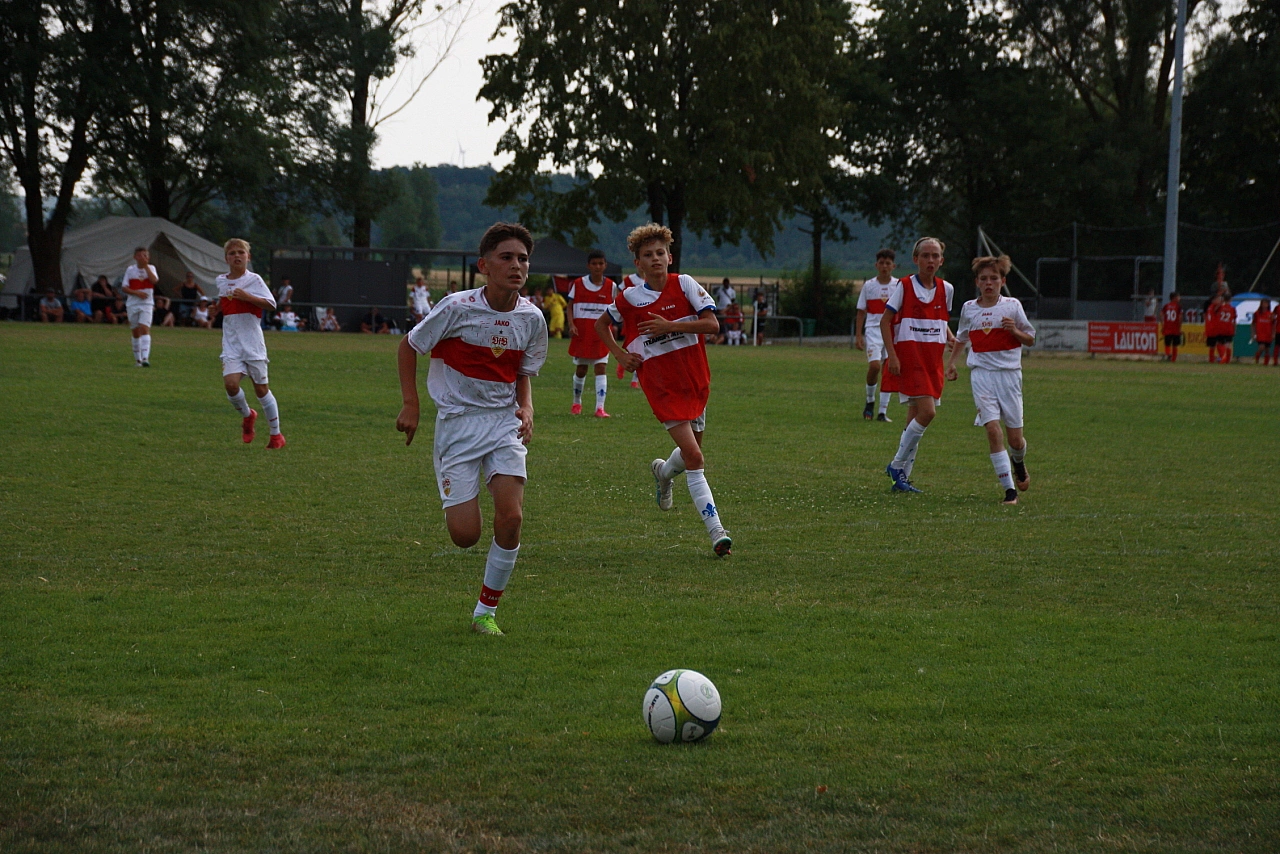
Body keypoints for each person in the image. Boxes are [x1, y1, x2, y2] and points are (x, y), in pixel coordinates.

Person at [395, 222, 548, 637]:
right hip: (458, 425)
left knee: (512, 518)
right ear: (484, 265)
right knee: (465, 536)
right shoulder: (456, 307)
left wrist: (526, 406)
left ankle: (485, 612)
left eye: (523, 259)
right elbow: (409, 345)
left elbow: (522, 371)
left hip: (502, 423)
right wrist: (411, 404)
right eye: (506, 257)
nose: (516, 265)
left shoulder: (532, 318)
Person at [595, 223, 732, 557]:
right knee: (695, 457)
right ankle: (717, 532)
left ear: (670, 257)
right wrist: (620, 355)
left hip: (695, 381)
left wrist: (670, 325)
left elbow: (713, 325)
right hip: (662, 387)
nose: (655, 258)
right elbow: (601, 324)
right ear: (638, 263)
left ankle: (663, 473)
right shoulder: (629, 298)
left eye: (660, 253)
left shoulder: (684, 284)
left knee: (689, 454)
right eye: (648, 255)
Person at [945, 255, 1035, 505]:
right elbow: (962, 337)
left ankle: (1019, 462)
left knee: (1015, 440)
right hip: (981, 375)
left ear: (1002, 281)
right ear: (977, 282)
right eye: (983, 279)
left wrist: (1014, 330)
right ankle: (1009, 491)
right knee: (993, 430)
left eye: (993, 278)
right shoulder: (969, 308)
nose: (988, 283)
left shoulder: (1012, 306)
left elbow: (1030, 339)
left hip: (1009, 376)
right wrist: (951, 363)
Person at [881, 237, 955, 493]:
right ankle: (896, 465)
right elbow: (884, 321)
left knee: (914, 417)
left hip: (933, 360)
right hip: (911, 359)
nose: (930, 260)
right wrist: (892, 356)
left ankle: (902, 479)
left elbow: (941, 320)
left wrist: (949, 336)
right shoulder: (904, 286)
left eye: (935, 256)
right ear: (916, 259)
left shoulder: (947, 289)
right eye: (925, 255)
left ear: (941, 261)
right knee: (928, 413)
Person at [217, 238, 286, 449]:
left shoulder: (254, 280)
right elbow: (226, 304)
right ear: (226, 258)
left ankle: (276, 435)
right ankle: (248, 416)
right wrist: (216, 308)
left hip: (253, 344)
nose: (236, 256)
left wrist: (247, 296)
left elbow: (271, 304)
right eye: (232, 253)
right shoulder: (221, 281)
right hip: (231, 344)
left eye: (241, 252)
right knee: (231, 385)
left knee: (261, 390)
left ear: (248, 257)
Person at [566, 249, 617, 416]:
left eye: (600, 263)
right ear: (588, 266)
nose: (597, 267)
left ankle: (600, 408)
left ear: (605, 265)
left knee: (601, 368)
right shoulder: (578, 284)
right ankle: (576, 402)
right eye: (594, 264)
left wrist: (614, 324)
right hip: (582, 333)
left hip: (601, 334)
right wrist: (571, 324)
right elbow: (569, 306)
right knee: (581, 369)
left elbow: (615, 308)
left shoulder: (611, 286)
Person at [855, 249, 898, 421]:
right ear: (876, 265)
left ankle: (882, 412)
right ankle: (870, 400)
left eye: (888, 263)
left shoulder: (898, 285)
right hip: (873, 330)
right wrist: (858, 335)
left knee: (889, 370)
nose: (884, 266)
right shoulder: (869, 285)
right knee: (875, 366)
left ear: (893, 266)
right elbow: (861, 311)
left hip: (891, 331)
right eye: (881, 263)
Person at [120, 246, 158, 366]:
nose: (143, 258)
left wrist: (146, 267)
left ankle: (145, 358)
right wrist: (137, 293)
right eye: (140, 255)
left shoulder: (151, 268)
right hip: (133, 304)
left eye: (145, 256)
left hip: (147, 303)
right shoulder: (130, 270)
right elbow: (124, 287)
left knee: (144, 328)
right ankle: (138, 360)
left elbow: (154, 281)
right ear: (135, 257)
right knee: (135, 331)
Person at [1204, 292, 1237, 364]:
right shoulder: (1232, 309)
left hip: (1219, 328)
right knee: (1227, 345)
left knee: (1217, 344)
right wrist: (1234, 329)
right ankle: (1226, 360)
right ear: (1230, 300)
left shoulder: (1218, 307)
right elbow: (1234, 320)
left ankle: (1217, 359)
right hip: (1228, 328)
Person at [1160, 292, 1183, 362]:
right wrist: (1180, 327)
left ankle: (1168, 356)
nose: (1179, 298)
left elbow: (1161, 314)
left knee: (1167, 344)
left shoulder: (1166, 306)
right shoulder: (1178, 307)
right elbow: (1180, 317)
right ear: (1174, 298)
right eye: (1178, 297)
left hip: (1167, 328)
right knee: (1175, 344)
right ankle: (1173, 359)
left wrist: (1163, 325)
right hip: (1175, 328)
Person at [1252, 297, 1275, 365]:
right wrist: (1253, 333)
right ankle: (1256, 359)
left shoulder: (1271, 314)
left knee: (1267, 349)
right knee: (1261, 347)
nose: (1265, 305)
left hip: (1268, 333)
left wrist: (1273, 334)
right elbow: (1253, 324)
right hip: (1260, 333)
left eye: (1266, 303)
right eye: (1263, 303)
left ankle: (1266, 363)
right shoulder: (1257, 313)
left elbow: (1273, 325)